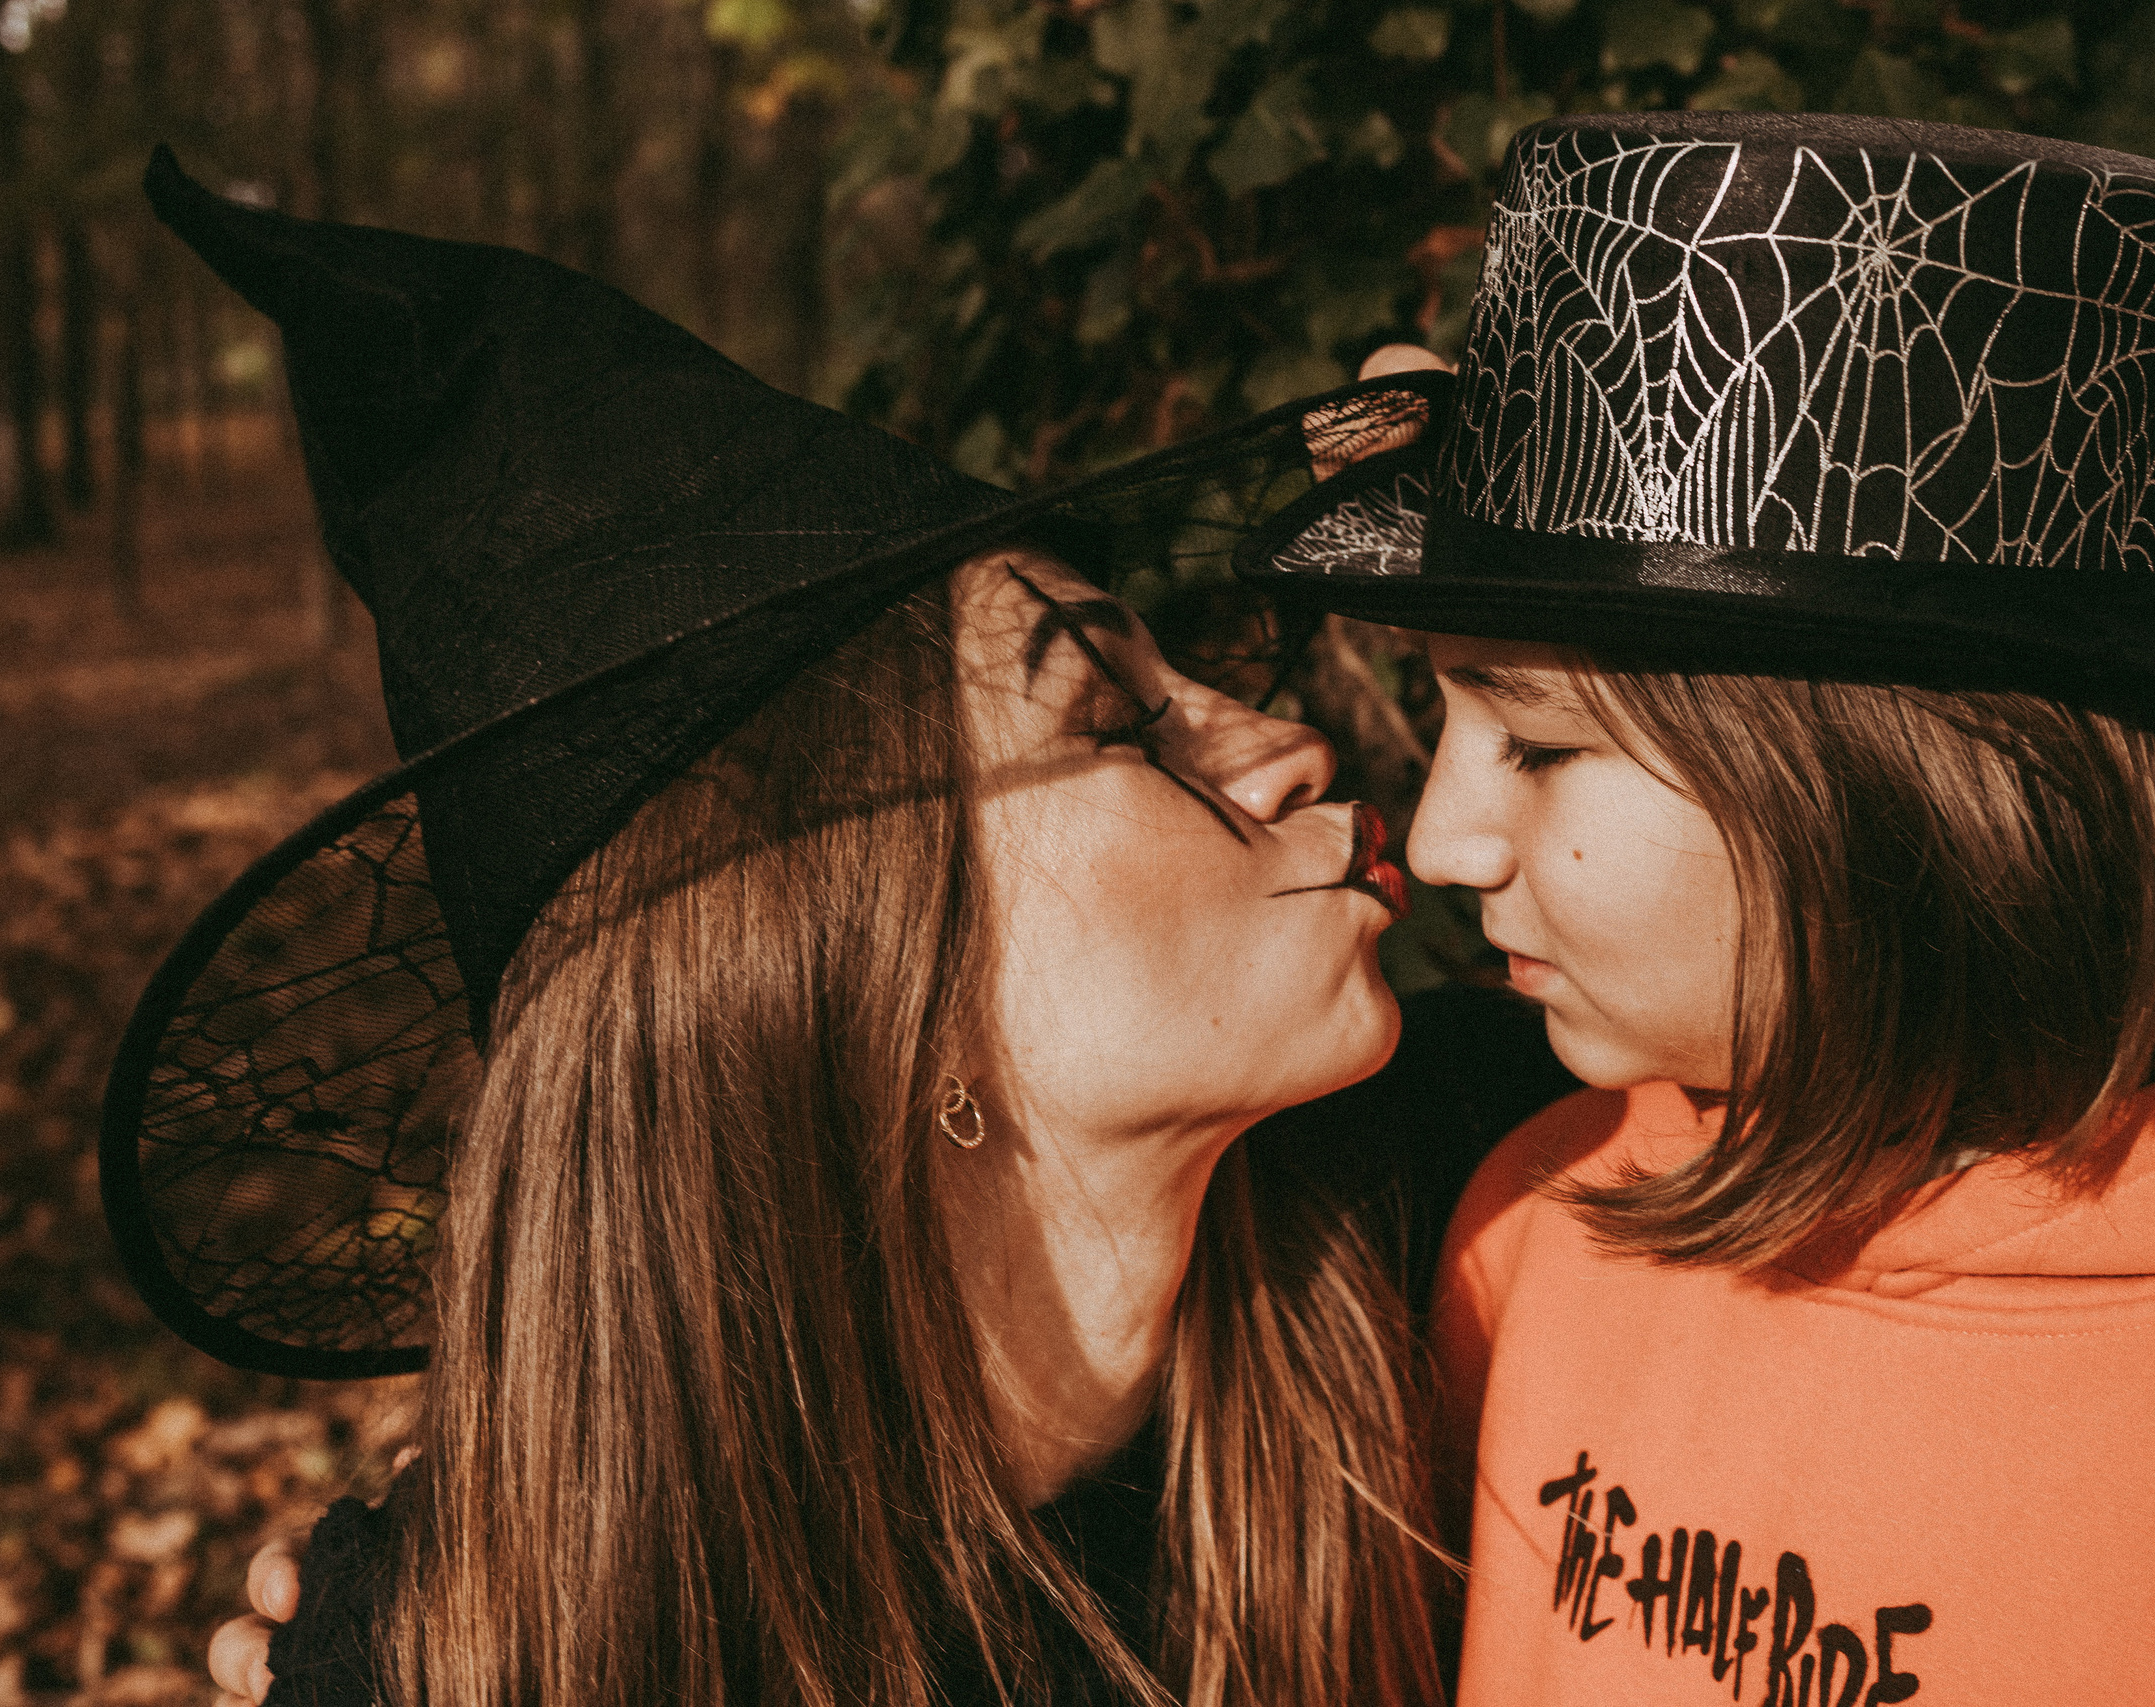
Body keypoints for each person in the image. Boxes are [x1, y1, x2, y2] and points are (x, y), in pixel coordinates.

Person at [111, 156, 1573, 1707]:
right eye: (1122, 725)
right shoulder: (484, 1659)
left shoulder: (1499, 1211)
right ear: (888, 1006)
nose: (1281, 742)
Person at [1236, 112, 2155, 1702]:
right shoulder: (1541, 1227)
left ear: (1923, 791)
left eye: (1542, 741)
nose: (1445, 840)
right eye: (1448, 720)